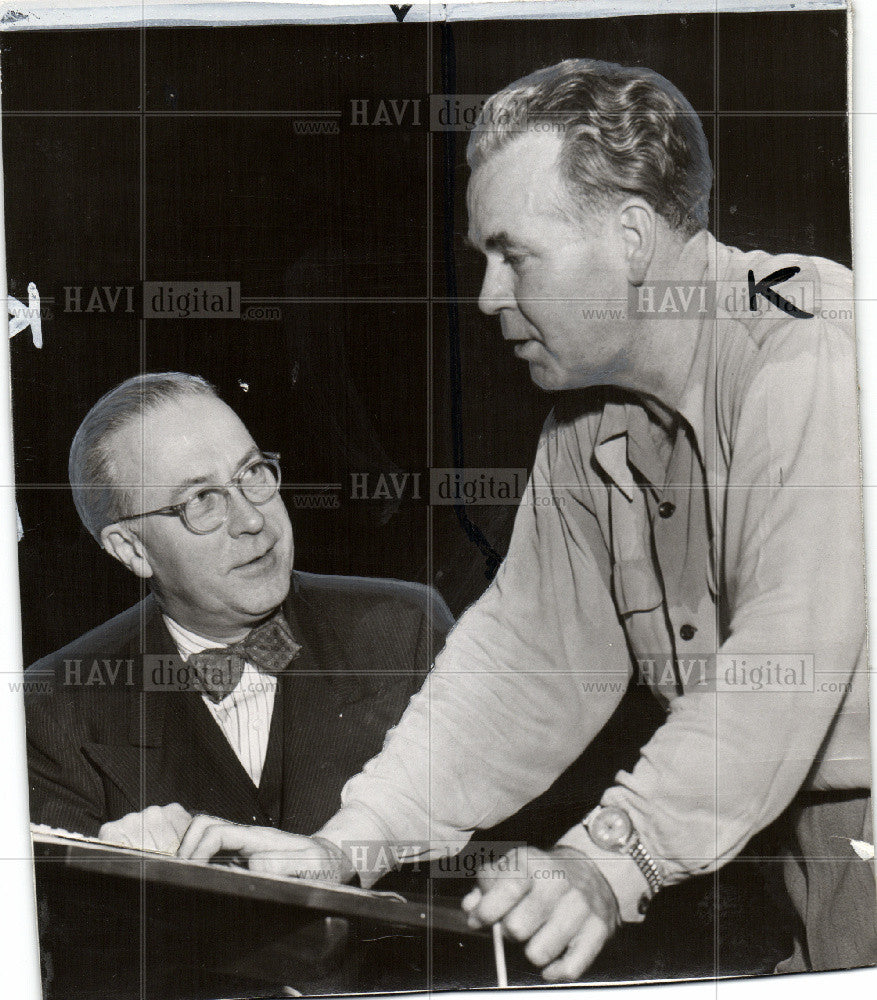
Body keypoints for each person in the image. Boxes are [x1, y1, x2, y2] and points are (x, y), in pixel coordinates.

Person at [179, 59, 875, 980]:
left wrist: (606, 859)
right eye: (481, 260)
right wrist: (350, 842)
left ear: (630, 236)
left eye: (515, 255)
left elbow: (777, 670)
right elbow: (522, 671)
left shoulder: (809, 356)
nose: (488, 297)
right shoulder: (590, 428)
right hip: (818, 852)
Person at [25, 372, 452, 845]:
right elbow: (53, 913)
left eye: (252, 473)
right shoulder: (53, 709)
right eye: (202, 500)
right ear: (132, 549)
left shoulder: (405, 629)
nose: (252, 519)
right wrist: (115, 873)